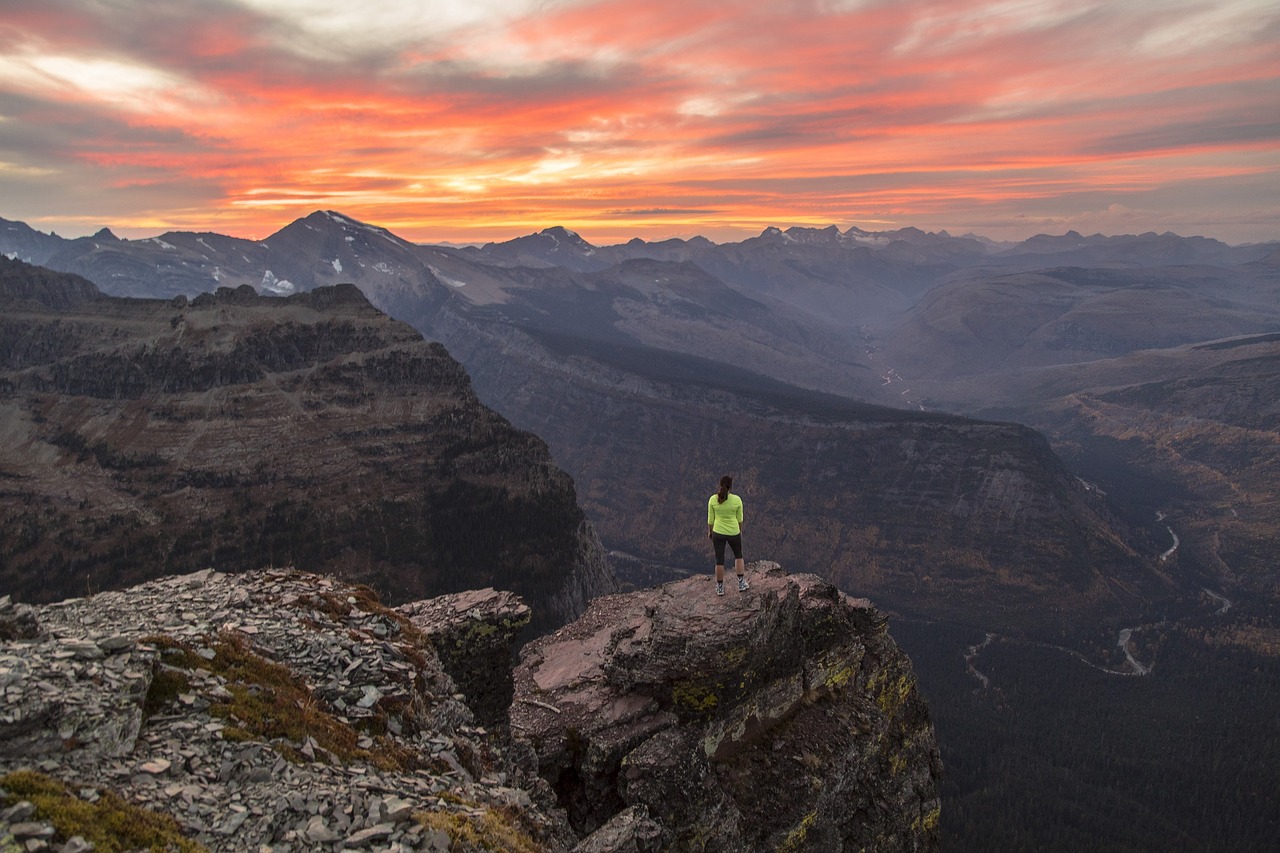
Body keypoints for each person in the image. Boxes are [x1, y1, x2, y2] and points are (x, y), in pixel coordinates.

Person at [707, 474, 748, 596]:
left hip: (718, 532)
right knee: (738, 556)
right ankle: (741, 584)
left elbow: (710, 520)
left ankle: (720, 588)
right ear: (730, 487)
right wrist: (739, 531)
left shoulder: (713, 499)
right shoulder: (737, 500)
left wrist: (710, 532)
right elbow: (740, 519)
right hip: (733, 532)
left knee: (719, 560)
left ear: (720, 485)